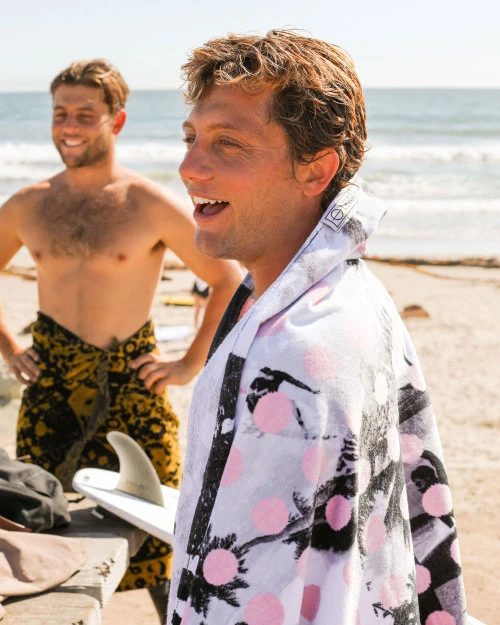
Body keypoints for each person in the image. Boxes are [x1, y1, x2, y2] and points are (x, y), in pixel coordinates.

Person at [167, 30, 467, 625]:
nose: (189, 168)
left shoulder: (287, 356)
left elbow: (238, 594)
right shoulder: (355, 294)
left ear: (317, 169)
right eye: (191, 139)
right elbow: (423, 508)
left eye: (228, 144)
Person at [0, 59, 242, 621]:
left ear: (117, 120)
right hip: (51, 392)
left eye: (85, 114)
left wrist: (188, 365)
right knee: (41, 530)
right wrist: (10, 346)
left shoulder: (146, 202)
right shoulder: (28, 204)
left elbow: (228, 280)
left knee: (164, 540)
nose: (70, 126)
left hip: (133, 390)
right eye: (61, 113)